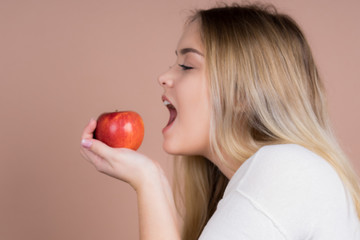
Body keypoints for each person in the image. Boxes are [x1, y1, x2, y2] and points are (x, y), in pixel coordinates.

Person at [80, 3, 360, 240]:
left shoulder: (284, 168)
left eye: (187, 65)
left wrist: (147, 181)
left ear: (242, 93)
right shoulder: (281, 173)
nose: (164, 76)